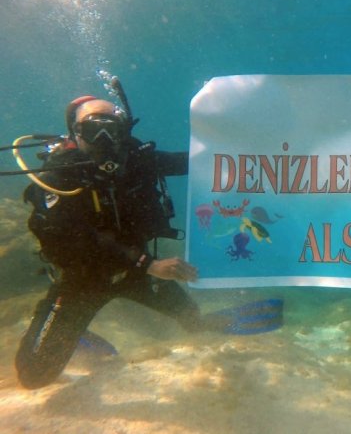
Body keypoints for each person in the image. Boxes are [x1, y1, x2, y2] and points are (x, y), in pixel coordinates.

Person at [16, 94, 212, 389]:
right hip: (83, 282)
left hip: (136, 273)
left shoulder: (137, 160)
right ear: (75, 133)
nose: (104, 138)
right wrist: (147, 264)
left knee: (195, 321)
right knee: (34, 376)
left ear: (124, 130)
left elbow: (193, 162)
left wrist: (244, 145)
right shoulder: (59, 174)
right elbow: (73, 235)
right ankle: (74, 334)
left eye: (112, 128)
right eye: (93, 129)